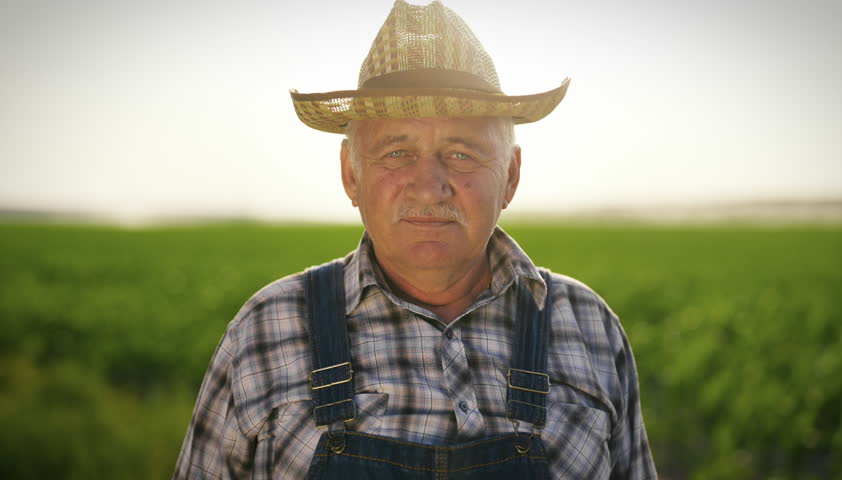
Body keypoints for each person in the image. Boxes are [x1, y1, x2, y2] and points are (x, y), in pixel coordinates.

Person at [173, 1, 657, 478]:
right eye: (398, 152)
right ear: (351, 174)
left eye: (463, 154)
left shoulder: (592, 327)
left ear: (510, 176)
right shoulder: (264, 330)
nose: (429, 187)